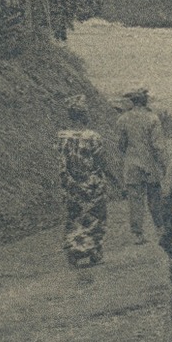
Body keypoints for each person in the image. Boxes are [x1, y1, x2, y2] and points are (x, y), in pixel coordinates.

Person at [58, 96, 113, 266]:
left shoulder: (62, 136)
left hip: (71, 184)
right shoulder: (92, 136)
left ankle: (74, 251)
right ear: (83, 115)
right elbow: (101, 161)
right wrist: (114, 179)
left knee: (74, 216)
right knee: (96, 216)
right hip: (92, 184)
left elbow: (62, 161)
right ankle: (94, 251)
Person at [115, 88, 164, 245]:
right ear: (145, 100)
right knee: (155, 198)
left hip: (132, 164)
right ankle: (160, 230)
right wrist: (163, 165)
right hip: (150, 165)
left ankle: (138, 234)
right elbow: (158, 146)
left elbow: (121, 145)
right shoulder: (153, 119)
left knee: (135, 201)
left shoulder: (123, 119)